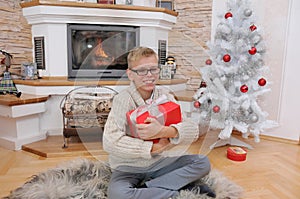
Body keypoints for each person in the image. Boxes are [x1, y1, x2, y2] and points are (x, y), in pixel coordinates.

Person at [103, 46, 215, 199]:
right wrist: (151, 148)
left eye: (153, 69)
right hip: (128, 167)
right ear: (130, 74)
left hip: (160, 163)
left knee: (203, 163)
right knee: (117, 194)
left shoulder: (165, 95)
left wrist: (164, 131)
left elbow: (192, 129)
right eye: (142, 70)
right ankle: (177, 191)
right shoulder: (122, 99)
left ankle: (148, 188)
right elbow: (109, 141)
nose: (149, 75)